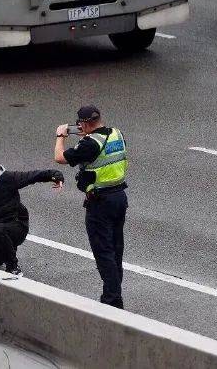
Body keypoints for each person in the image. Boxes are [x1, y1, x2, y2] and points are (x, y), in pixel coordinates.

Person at [54, 105, 128, 309]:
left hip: (100, 201)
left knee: (103, 252)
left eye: (79, 124)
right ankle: (113, 292)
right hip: (119, 196)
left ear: (84, 123)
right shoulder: (116, 134)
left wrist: (60, 136)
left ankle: (112, 301)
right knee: (115, 249)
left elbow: (60, 158)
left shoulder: (89, 143)